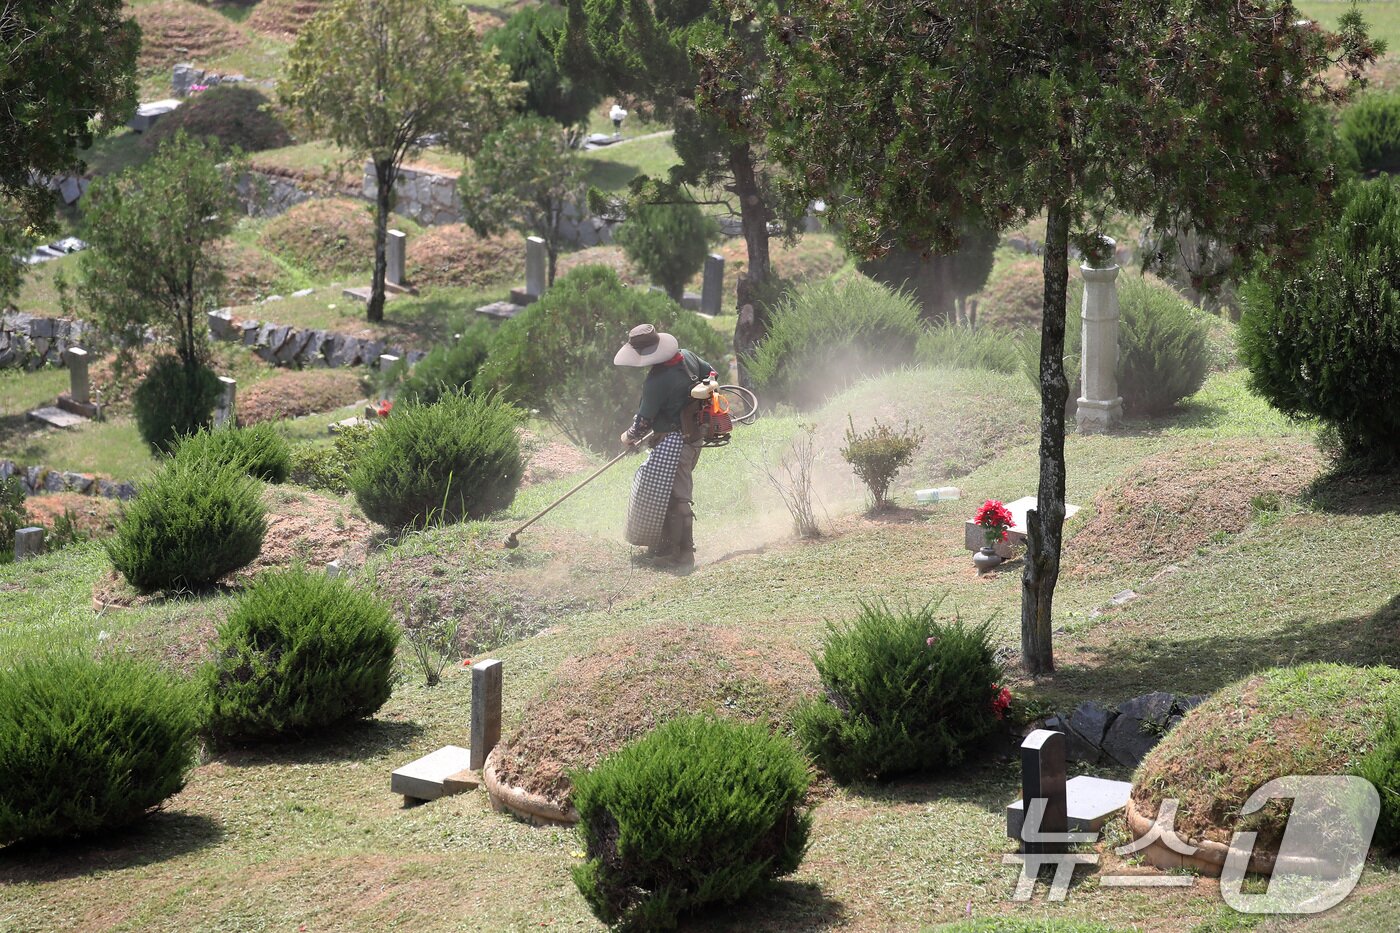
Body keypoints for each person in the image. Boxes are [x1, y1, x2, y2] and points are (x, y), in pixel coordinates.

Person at [615, 323, 715, 571]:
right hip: (694, 437)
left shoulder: (656, 382)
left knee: (678, 496)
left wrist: (626, 437)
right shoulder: (688, 356)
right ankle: (664, 546)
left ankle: (683, 555)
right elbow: (711, 373)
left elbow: (642, 424)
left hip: (675, 442)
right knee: (664, 492)